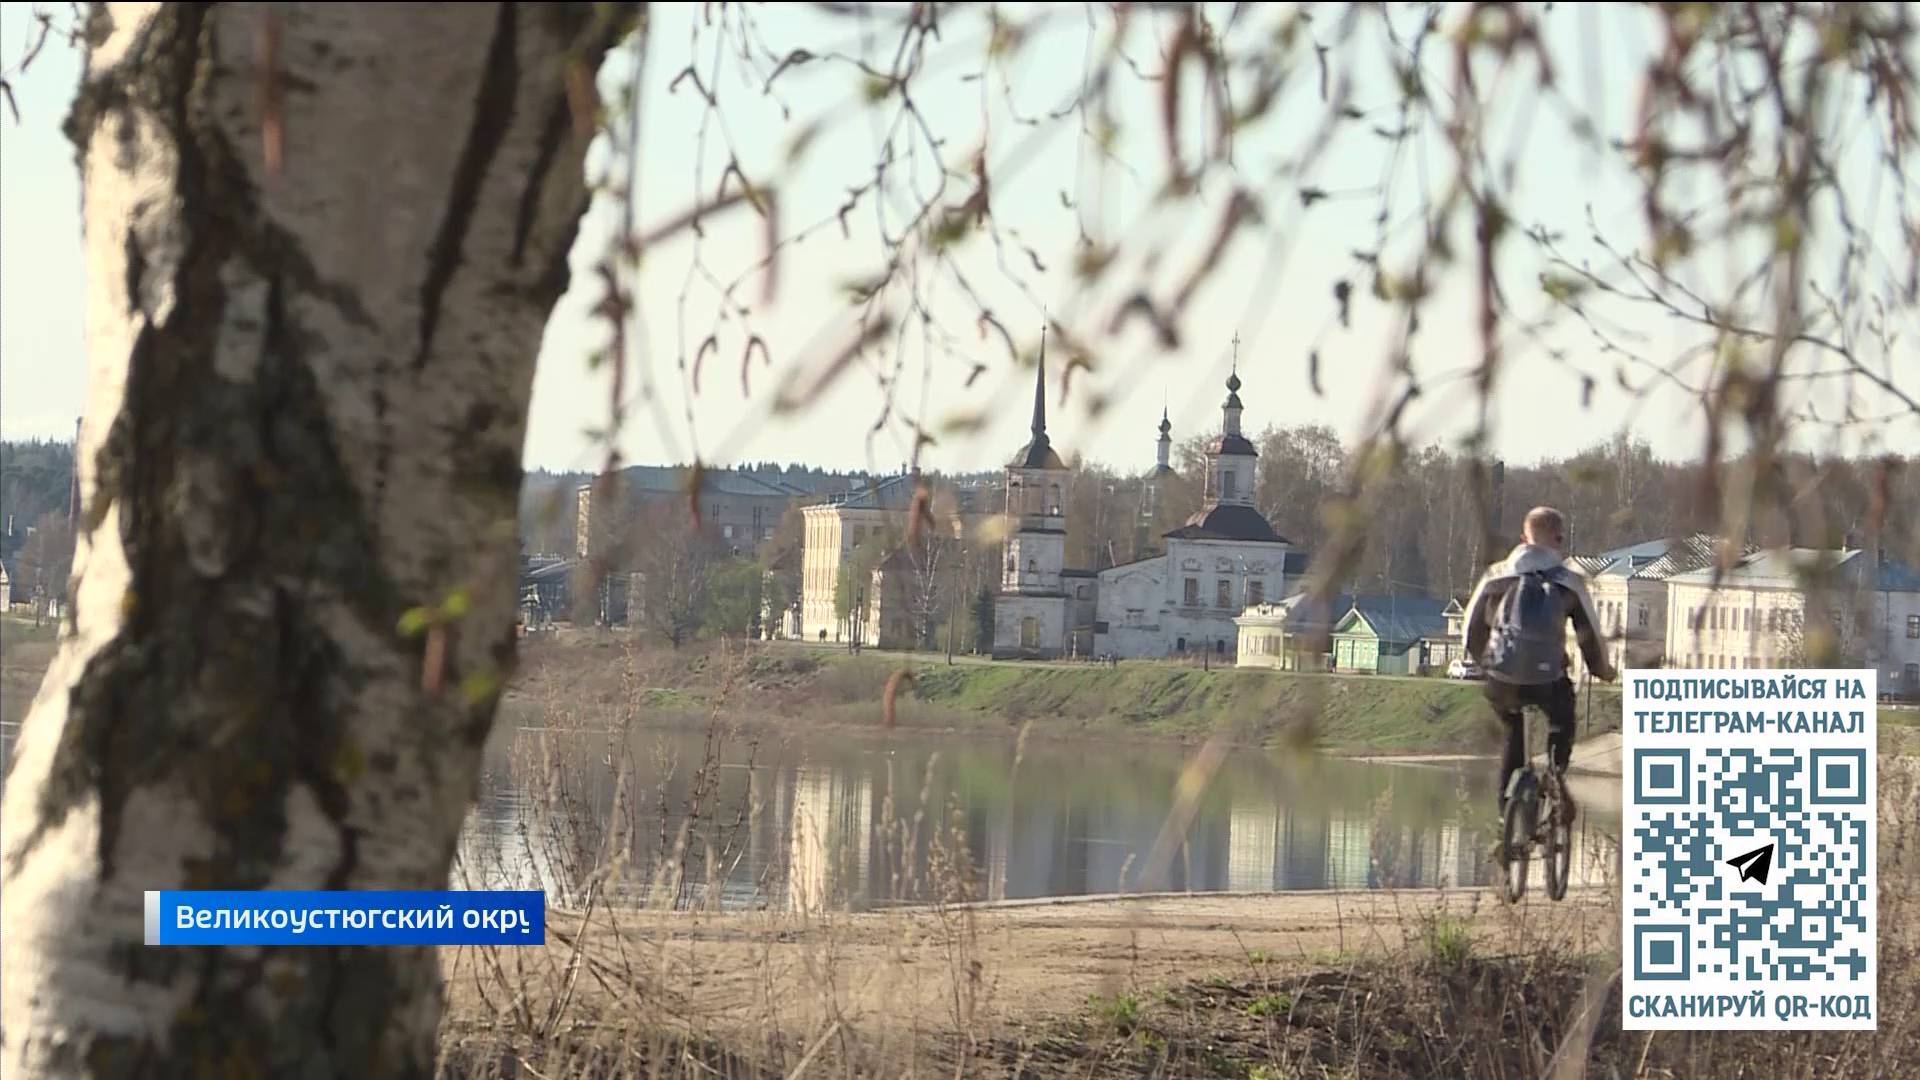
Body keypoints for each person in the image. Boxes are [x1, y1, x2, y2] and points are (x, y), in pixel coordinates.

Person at [1461, 506, 1616, 815]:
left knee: (1512, 734)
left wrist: (1487, 663)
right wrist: (1603, 671)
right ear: (1559, 540)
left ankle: (1506, 819)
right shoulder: (1568, 582)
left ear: (1523, 538)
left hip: (1502, 679)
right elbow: (1589, 636)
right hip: (1548, 680)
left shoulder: (1496, 576)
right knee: (1562, 720)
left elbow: (1470, 629)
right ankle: (1555, 781)